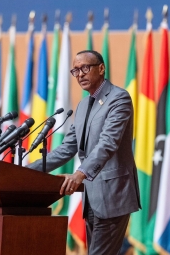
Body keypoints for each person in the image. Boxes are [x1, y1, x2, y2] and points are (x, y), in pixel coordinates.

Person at [27, 50, 141, 255]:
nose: (80, 74)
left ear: (101, 68)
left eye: (85, 68)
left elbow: (108, 143)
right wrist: (27, 171)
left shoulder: (119, 98)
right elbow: (67, 148)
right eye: (75, 70)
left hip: (113, 193)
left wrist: (81, 173)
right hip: (92, 196)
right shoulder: (82, 106)